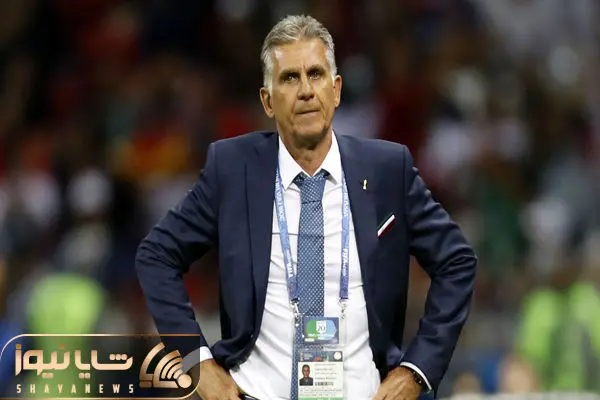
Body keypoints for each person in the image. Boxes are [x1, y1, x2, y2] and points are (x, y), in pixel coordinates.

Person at [135, 14, 477, 400]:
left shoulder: (386, 171)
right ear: (267, 100)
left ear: (336, 90)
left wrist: (416, 371)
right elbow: (156, 255)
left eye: (315, 74)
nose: (306, 91)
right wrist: (197, 363)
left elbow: (457, 262)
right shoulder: (232, 169)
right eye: (289, 78)